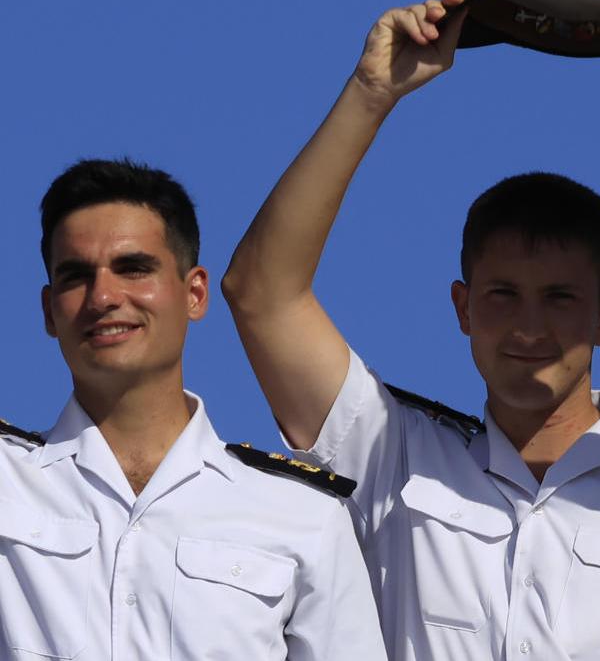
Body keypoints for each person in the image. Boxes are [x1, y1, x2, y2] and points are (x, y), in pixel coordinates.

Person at [219, 0, 600, 660]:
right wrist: (372, 91)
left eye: (560, 298)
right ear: (462, 307)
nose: (529, 326)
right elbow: (261, 295)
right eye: (503, 294)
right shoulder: (393, 462)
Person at [0, 158, 383, 660]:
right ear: (50, 310)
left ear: (195, 292)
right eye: (76, 277)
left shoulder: (304, 515)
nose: (104, 296)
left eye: (133, 268)